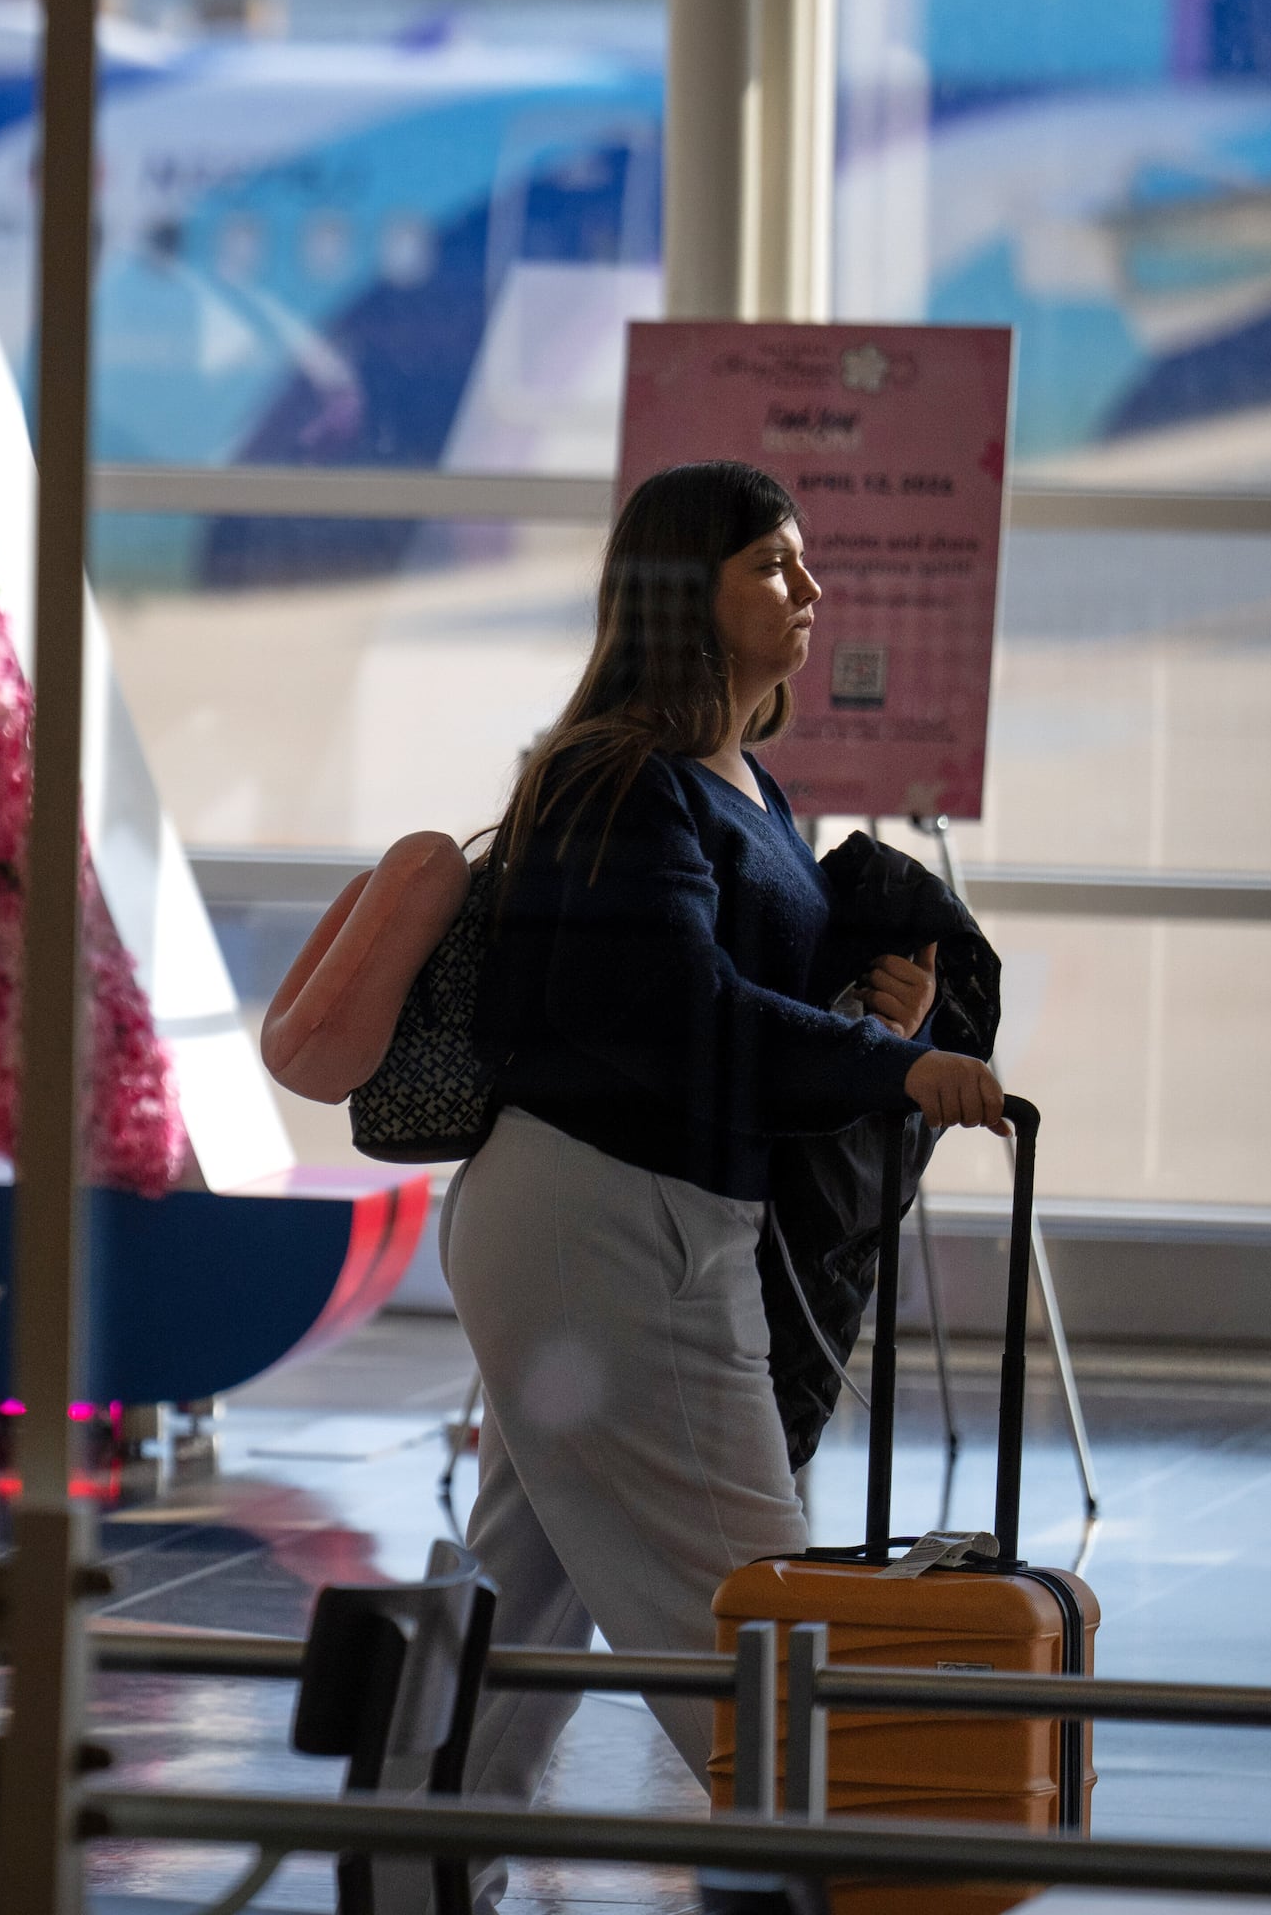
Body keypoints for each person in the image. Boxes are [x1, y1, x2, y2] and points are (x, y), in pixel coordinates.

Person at [447, 460, 1007, 1811]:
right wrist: (895, 1062)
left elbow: (728, 1003)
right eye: (771, 564)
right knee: (764, 1604)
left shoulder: (738, 778)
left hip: (618, 1222)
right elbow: (684, 1015)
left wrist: (886, 1020)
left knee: (517, 1600)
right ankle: (822, 1868)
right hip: (614, 1228)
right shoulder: (624, 783)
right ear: (677, 594)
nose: (810, 588)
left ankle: (415, 1871)